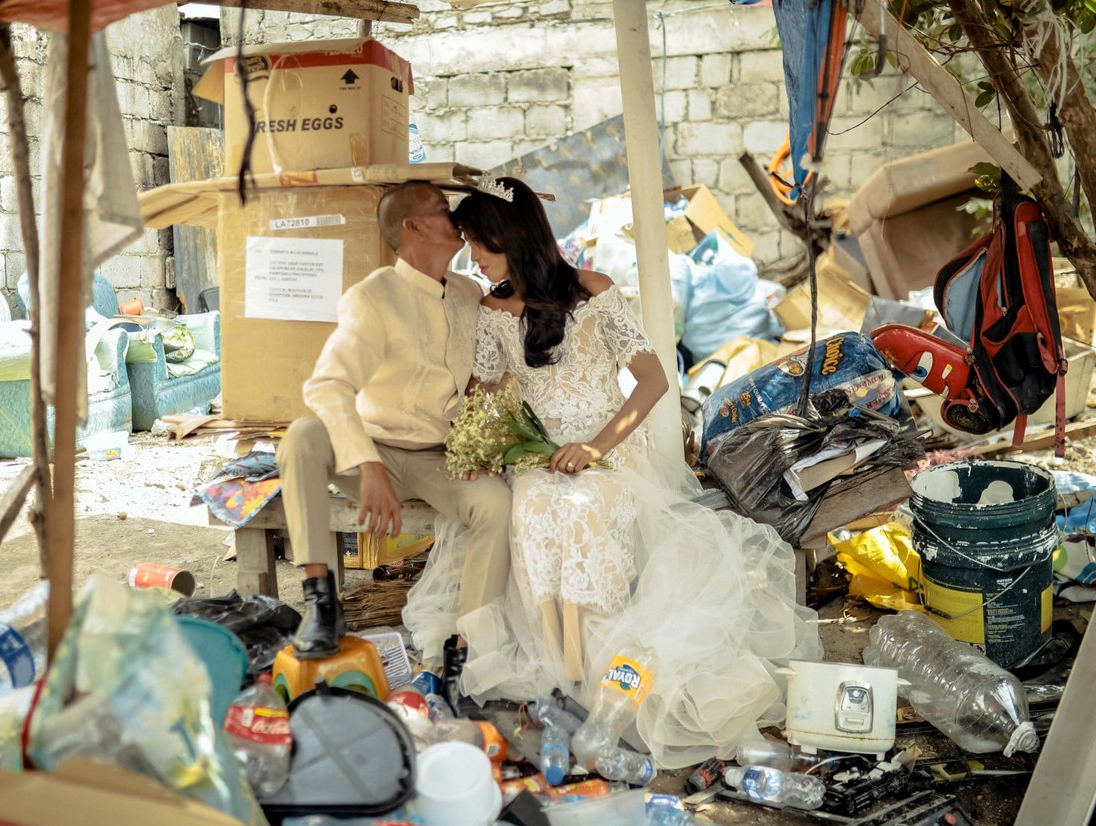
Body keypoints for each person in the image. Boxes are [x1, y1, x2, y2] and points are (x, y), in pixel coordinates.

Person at [405, 177, 822, 768]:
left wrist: (597, 447)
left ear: (513, 238)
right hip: (539, 454)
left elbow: (653, 380)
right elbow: (486, 389)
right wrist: (486, 441)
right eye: (469, 243)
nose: (474, 257)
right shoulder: (493, 309)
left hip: (608, 449)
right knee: (533, 509)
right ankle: (560, 673)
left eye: (480, 243)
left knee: (580, 512)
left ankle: (584, 671)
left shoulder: (593, 291)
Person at [277, 181, 513, 683]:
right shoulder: (372, 296)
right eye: (442, 208)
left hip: (438, 457)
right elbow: (328, 386)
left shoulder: (470, 293)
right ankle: (321, 602)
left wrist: (488, 439)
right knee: (301, 437)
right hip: (372, 449)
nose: (455, 216)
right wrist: (368, 466)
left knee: (495, 503)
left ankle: (466, 650)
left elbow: (485, 377)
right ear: (413, 227)